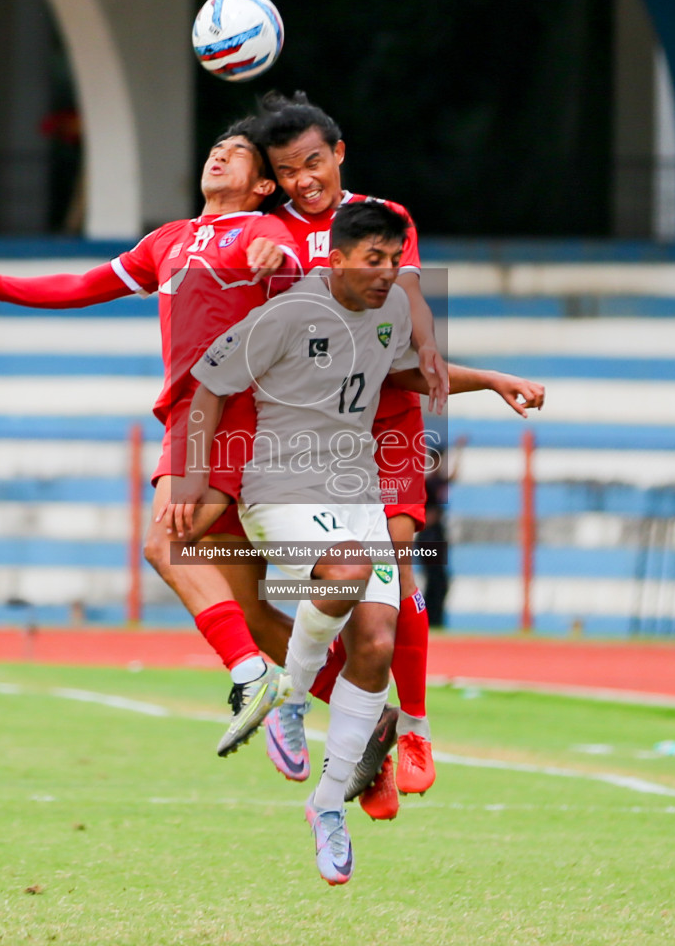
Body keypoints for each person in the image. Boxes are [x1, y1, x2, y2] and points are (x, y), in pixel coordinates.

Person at [170, 201, 541, 883]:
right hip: (278, 483)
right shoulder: (285, 315)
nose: (387, 273)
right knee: (345, 574)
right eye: (374, 260)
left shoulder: (391, 311)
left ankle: (327, 804)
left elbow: (404, 375)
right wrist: (196, 474)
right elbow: (208, 387)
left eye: (395, 261)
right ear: (335, 258)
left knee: (372, 644)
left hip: (355, 489)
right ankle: (289, 696)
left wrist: (489, 380)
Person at [0, 125, 304, 756]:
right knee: (256, 613)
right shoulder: (167, 241)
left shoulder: (261, 230)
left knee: (165, 541)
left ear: (264, 185)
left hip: (222, 418)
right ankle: (364, 709)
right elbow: (82, 286)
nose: (219, 153)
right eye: (217, 146)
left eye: (238, 152)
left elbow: (289, 265)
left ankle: (252, 676)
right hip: (196, 420)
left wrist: (279, 262)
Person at [252, 91, 544, 815]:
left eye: (313, 162)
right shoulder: (264, 231)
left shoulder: (385, 217)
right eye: (288, 170)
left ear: (339, 153)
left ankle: (413, 727)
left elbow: (408, 292)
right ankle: (371, 726)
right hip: (306, 430)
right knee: (291, 602)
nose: (303, 180)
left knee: (400, 553)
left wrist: (429, 345)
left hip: (385, 413)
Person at [416, 437, 464, 628]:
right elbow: (426, 512)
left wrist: (459, 451)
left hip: (435, 535)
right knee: (435, 579)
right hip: (430, 536)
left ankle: (434, 619)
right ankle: (431, 619)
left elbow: (453, 476)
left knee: (439, 580)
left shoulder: (436, 481)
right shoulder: (429, 482)